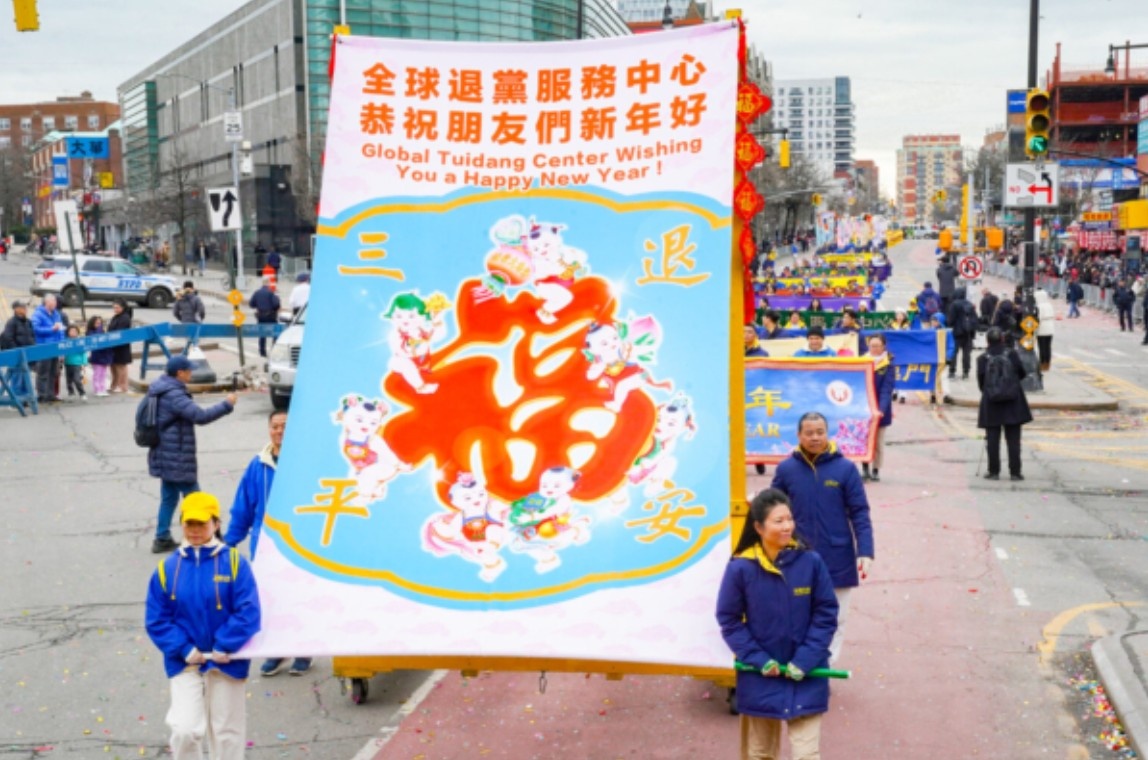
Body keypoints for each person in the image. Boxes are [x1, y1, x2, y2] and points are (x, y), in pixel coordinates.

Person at [716, 488, 838, 760]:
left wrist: (805, 660)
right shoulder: (740, 567)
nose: (787, 527)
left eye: (789, 519)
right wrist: (759, 660)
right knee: (759, 754)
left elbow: (826, 613)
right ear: (759, 527)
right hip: (760, 676)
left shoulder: (811, 562)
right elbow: (729, 620)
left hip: (807, 674)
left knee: (807, 755)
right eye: (778, 521)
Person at [145, 491, 261, 760]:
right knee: (184, 730)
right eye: (189, 523)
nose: (195, 530)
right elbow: (157, 619)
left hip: (227, 660)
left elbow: (249, 611)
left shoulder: (235, 563)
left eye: (202, 523)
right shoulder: (166, 568)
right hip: (184, 662)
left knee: (226, 733)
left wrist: (224, 645)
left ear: (216, 524)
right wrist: (184, 649)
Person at [770, 412, 874, 663]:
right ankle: (800, 662)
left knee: (836, 616)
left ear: (828, 434)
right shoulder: (786, 470)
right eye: (809, 433)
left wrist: (865, 551)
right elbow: (772, 510)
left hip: (837, 554)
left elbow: (859, 512)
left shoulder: (845, 469)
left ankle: (825, 665)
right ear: (799, 435)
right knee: (797, 614)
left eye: (820, 432)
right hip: (796, 555)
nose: (815, 438)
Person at [224, 410, 313, 676]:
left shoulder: (305, 462)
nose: (279, 431)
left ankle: (303, 650)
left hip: (299, 544)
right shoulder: (258, 465)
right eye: (275, 426)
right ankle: (277, 650)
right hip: (264, 545)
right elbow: (243, 506)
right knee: (270, 599)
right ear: (269, 430)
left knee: (299, 597)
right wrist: (230, 541)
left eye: (285, 426)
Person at [147, 355, 238, 553]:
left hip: (164, 452)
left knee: (169, 498)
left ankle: (162, 537)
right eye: (189, 370)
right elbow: (200, 416)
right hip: (176, 456)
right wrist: (227, 404)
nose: (191, 373)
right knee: (197, 499)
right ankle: (211, 537)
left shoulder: (160, 387)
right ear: (180, 373)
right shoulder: (175, 395)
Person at [976, 327, 1032, 482]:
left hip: (991, 402)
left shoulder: (982, 358)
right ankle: (1015, 472)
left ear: (987, 341)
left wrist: (993, 390)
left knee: (992, 439)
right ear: (1002, 339)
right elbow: (1022, 373)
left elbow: (981, 383)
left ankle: (994, 471)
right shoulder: (1012, 354)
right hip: (1013, 401)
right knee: (1013, 439)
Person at [863, 334, 895, 482]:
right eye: (872, 346)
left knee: (878, 442)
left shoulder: (888, 364)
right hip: (863, 408)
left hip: (881, 410)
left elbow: (886, 389)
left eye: (877, 346)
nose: (874, 349)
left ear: (883, 347)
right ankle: (865, 468)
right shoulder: (862, 361)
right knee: (863, 439)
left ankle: (876, 469)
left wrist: (880, 409)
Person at [31, 294, 65, 403]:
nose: (55, 303)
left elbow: (60, 330)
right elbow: (35, 329)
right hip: (44, 347)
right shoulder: (38, 314)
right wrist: (51, 329)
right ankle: (42, 395)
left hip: (55, 347)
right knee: (43, 372)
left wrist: (62, 345)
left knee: (53, 372)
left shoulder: (56, 314)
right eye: (52, 301)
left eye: (55, 301)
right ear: (46, 302)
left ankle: (51, 394)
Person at [1, 299, 36, 403]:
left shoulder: (28, 322)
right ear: (16, 309)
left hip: (27, 354)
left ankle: (25, 399)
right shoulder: (11, 322)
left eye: (25, 307)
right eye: (22, 307)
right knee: (17, 378)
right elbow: (8, 338)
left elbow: (32, 335)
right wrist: (16, 350)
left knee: (26, 378)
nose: (25, 309)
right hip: (17, 354)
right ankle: (16, 400)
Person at [946, 286, 978, 380]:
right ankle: (966, 372)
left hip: (956, 332)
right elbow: (975, 319)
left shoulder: (954, 304)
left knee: (954, 352)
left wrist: (949, 324)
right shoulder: (970, 304)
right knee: (966, 354)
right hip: (968, 333)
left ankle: (952, 371)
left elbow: (951, 320)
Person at [249, 277, 281, 358]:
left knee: (262, 334)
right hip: (271, 316)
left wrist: (258, 305)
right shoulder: (271, 292)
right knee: (275, 332)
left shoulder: (257, 292)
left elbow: (251, 304)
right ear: (268, 283)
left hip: (261, 316)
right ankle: (274, 350)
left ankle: (262, 352)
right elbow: (276, 304)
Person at [87, 315, 113, 397]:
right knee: (97, 374)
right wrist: (99, 329)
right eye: (97, 323)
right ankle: (97, 389)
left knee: (103, 374)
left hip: (104, 355)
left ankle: (103, 388)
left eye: (100, 323)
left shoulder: (102, 332)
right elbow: (94, 339)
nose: (99, 325)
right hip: (97, 356)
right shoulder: (91, 332)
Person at [63, 324, 88, 401]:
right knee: (69, 381)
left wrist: (84, 363)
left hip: (77, 364)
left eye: (75, 331)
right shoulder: (65, 341)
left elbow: (83, 353)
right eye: (71, 331)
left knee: (77, 380)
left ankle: (82, 393)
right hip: (67, 363)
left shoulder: (80, 342)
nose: (73, 332)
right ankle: (71, 393)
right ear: (68, 332)